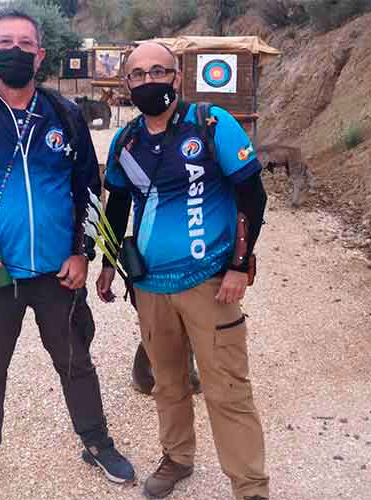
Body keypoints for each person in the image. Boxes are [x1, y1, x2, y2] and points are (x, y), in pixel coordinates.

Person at [0, 10, 135, 500]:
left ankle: (97, 442)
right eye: (5, 42)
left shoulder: (64, 115)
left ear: (41, 55)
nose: (15, 51)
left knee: (75, 361)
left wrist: (82, 253)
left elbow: (88, 190)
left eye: (26, 43)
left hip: (57, 274)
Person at [96, 42, 270, 500]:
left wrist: (238, 265)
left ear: (176, 77)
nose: (148, 81)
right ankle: (177, 457)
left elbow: (253, 195)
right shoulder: (125, 142)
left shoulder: (211, 124)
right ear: (127, 84)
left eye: (158, 71)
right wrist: (109, 264)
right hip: (150, 288)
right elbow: (116, 205)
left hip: (210, 283)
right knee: (168, 384)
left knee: (227, 389)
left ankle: (250, 487)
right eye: (137, 74)